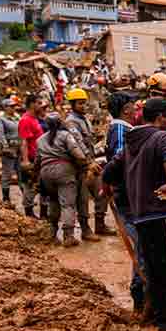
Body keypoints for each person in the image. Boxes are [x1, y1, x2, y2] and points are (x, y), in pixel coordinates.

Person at [104, 98, 166, 331]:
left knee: (156, 271)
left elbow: (109, 171)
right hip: (164, 214)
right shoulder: (162, 137)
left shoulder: (130, 143)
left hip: (142, 217)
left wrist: (106, 188)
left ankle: (164, 326)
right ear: (160, 118)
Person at [105, 92, 146, 312]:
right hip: (129, 196)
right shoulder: (122, 130)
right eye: (133, 105)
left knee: (142, 246)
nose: (136, 109)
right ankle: (140, 294)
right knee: (142, 246)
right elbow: (122, 162)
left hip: (128, 195)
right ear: (126, 109)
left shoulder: (120, 128)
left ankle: (141, 294)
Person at [65, 88, 112, 241]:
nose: (84, 106)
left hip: (91, 162)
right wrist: (89, 161)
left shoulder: (84, 119)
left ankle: (100, 224)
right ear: (72, 104)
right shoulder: (71, 121)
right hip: (80, 165)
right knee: (82, 199)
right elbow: (78, 142)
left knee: (102, 191)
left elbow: (90, 142)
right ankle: (85, 230)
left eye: (84, 103)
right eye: (80, 103)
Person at [36, 112, 90, 246]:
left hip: (45, 173)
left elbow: (37, 161)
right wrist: (86, 164)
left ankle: (52, 233)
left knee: (53, 201)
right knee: (67, 204)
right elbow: (79, 155)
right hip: (63, 171)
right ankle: (68, 236)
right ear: (60, 123)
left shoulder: (40, 140)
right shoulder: (66, 135)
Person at [18, 93, 47, 216]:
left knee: (43, 185)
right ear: (31, 104)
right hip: (31, 158)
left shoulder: (35, 119)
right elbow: (24, 141)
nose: (41, 106)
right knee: (30, 186)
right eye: (38, 103)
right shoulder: (25, 120)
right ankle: (29, 214)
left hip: (40, 158)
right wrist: (25, 161)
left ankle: (44, 214)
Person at [0, 97, 21, 204]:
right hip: (9, 148)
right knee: (7, 173)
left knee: (21, 172)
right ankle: (6, 198)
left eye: (14, 106)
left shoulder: (17, 117)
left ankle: (26, 197)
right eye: (11, 106)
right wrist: (5, 147)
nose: (13, 108)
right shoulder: (0, 119)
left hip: (19, 147)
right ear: (5, 107)